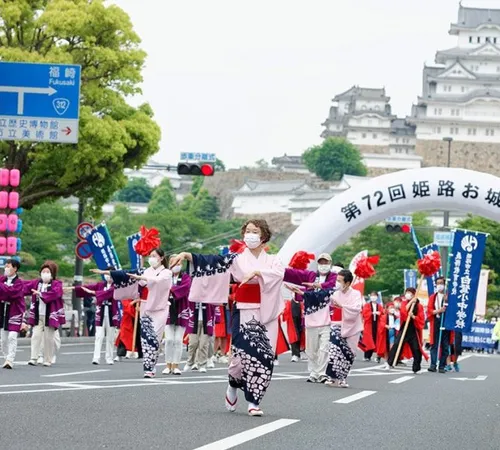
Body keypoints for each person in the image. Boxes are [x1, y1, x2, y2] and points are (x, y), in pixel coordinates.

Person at [170, 219, 285, 417]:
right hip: (243, 310)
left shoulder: (274, 260)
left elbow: (278, 274)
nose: (250, 235)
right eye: (247, 231)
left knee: (263, 357)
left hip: (266, 314)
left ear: (263, 236)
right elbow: (211, 261)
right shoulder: (236, 259)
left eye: (255, 231)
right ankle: (233, 384)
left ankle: (253, 401)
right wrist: (186, 255)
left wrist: (259, 272)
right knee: (239, 360)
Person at [101, 247, 172, 378]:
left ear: (161, 258)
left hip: (160, 307)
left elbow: (157, 281)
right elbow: (126, 273)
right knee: (146, 338)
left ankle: (152, 364)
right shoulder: (146, 270)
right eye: (150, 255)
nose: (152, 258)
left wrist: (140, 276)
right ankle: (148, 368)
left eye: (154, 256)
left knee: (155, 337)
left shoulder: (167, 272)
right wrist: (108, 272)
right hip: (145, 306)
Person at [284, 252, 337, 382]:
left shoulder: (334, 277)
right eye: (321, 262)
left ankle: (322, 373)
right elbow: (296, 276)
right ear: (317, 264)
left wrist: (317, 286)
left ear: (330, 264)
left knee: (324, 349)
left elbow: (330, 289)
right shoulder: (311, 276)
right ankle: (313, 372)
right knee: (311, 350)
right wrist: (279, 272)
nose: (323, 265)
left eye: (326, 263)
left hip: (326, 320)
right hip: (311, 319)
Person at [71, 268, 119, 365]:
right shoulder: (100, 285)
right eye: (106, 274)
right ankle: (96, 357)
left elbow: (107, 294)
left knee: (110, 336)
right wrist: (76, 288)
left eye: (110, 274)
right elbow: (88, 288)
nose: (108, 276)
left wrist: (95, 293)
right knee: (99, 335)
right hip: (100, 311)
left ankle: (109, 357)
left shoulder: (117, 286)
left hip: (111, 312)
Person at [324, 269, 363, 388]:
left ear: (347, 283)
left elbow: (356, 309)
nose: (337, 283)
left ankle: (342, 378)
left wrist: (342, 306)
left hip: (352, 326)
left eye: (339, 281)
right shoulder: (335, 293)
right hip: (336, 324)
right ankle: (331, 377)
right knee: (334, 350)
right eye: (336, 280)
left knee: (349, 352)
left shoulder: (356, 294)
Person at [26, 261, 65, 367]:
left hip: (50, 315)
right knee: (35, 336)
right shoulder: (36, 283)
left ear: (52, 273)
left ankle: (48, 359)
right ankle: (34, 357)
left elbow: (56, 293)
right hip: (38, 314)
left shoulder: (57, 284)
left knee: (49, 338)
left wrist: (41, 294)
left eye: (48, 271)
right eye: (43, 271)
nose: (45, 273)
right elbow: (24, 287)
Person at [386, 288, 427, 374]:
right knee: (397, 344)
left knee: (416, 349)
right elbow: (403, 312)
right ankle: (390, 362)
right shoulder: (404, 303)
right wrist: (411, 302)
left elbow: (421, 319)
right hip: (404, 328)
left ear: (414, 294)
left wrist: (413, 317)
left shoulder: (419, 306)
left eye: (410, 293)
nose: (407, 294)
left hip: (413, 330)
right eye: (407, 293)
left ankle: (416, 367)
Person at [163, 255, 191, 375]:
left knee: (178, 340)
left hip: (181, 309)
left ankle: (176, 365)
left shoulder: (185, 277)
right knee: (169, 339)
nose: (176, 265)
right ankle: (167, 364)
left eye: (179, 262)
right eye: (173, 262)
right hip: (167, 309)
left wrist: (171, 289)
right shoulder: (164, 276)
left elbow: (185, 288)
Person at [0, 259, 25, 369]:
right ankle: (6, 358)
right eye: (5, 266)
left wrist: (3, 289)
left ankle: (10, 359)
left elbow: (12, 293)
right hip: (2, 311)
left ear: (15, 268)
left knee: (12, 336)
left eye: (8, 266)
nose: (6, 268)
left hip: (15, 311)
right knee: (3, 339)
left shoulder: (19, 282)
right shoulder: (1, 280)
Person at [184, 302, 216, 373]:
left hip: (207, 320)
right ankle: (190, 362)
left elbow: (214, 304)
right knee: (192, 343)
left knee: (203, 344)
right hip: (193, 320)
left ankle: (202, 364)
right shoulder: (193, 293)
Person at [427, 277, 450, 373]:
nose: (439, 285)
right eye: (438, 283)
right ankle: (433, 365)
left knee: (445, 345)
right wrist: (438, 311)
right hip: (436, 321)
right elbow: (429, 310)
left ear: (445, 285)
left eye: (441, 283)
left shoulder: (449, 296)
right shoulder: (433, 297)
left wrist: (447, 300)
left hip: (446, 322)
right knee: (434, 345)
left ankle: (442, 366)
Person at [359, 292, 384, 362]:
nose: (373, 297)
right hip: (369, 325)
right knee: (369, 341)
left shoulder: (379, 306)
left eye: (375, 296)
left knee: (377, 340)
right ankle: (367, 356)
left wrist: (380, 313)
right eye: (372, 296)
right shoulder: (367, 305)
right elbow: (364, 313)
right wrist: (372, 313)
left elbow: (382, 314)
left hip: (377, 324)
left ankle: (376, 356)